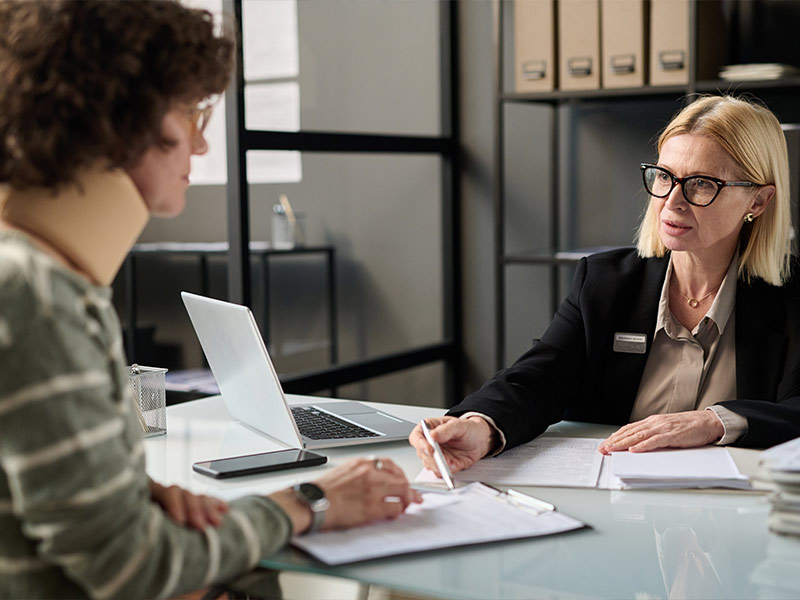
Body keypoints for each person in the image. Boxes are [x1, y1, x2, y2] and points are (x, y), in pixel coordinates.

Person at [0, 2, 420, 599]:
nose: (199, 144)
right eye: (190, 112)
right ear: (116, 119)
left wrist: (134, 499)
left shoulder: (46, 276)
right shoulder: (33, 296)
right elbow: (134, 571)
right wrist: (310, 501)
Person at [411, 94, 800, 478]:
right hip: (615, 508)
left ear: (759, 201)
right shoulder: (605, 282)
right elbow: (539, 378)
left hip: (737, 518)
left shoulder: (792, 297)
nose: (671, 202)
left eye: (701, 184)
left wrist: (718, 422)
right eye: (664, 177)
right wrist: (481, 425)